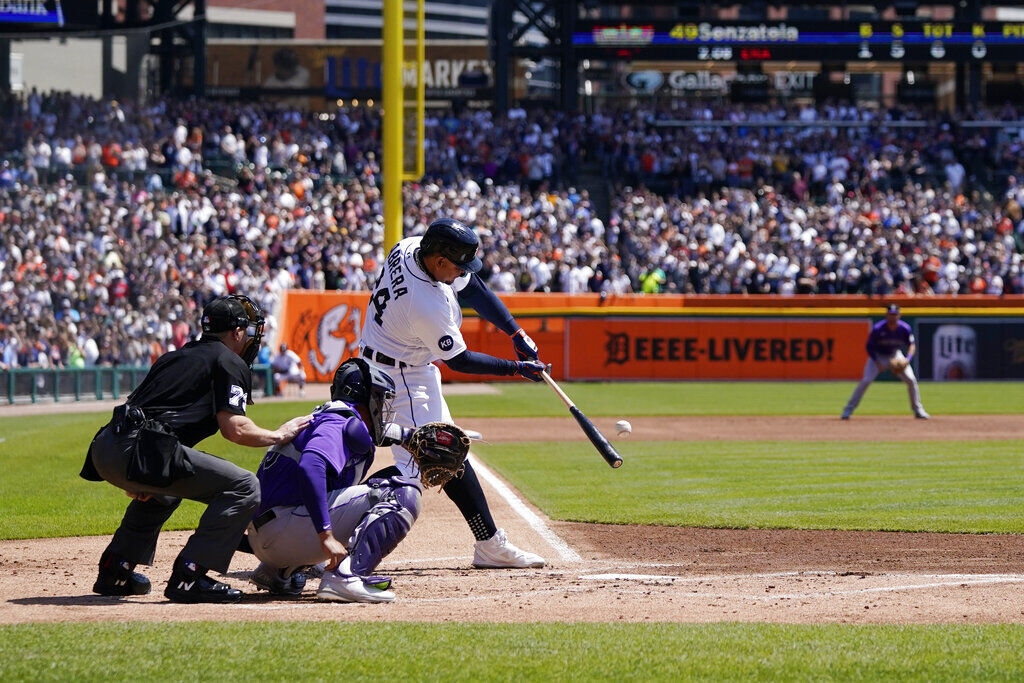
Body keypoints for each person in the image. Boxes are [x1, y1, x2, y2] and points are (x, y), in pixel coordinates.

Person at [80, 295, 311, 603]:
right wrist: (278, 434)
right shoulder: (229, 360)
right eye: (251, 330)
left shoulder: (175, 356)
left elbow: (146, 409)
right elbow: (235, 429)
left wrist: (142, 474)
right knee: (244, 487)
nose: (253, 338)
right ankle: (190, 576)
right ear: (237, 332)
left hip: (106, 446)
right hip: (138, 450)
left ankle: (115, 570)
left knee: (165, 492)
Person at [357, 217, 549, 568]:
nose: (463, 271)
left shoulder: (412, 247)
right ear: (440, 261)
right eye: (458, 264)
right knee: (423, 467)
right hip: (400, 379)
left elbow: (473, 287)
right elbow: (460, 360)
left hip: (395, 362)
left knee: (450, 452)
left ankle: (489, 543)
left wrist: (515, 332)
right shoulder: (426, 303)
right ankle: (324, 535)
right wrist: (516, 368)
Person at [246, 358, 465, 602]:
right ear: (366, 397)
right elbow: (311, 467)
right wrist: (326, 536)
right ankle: (347, 576)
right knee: (405, 491)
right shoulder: (338, 422)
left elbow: (370, 435)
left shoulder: (328, 416)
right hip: (284, 532)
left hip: (270, 535)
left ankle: (281, 571)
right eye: (380, 398)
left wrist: (410, 436)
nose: (382, 406)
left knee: (387, 476)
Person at [842, 304, 930, 420]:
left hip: (896, 355)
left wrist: (907, 360)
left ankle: (918, 410)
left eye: (895, 314)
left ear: (899, 315)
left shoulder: (904, 328)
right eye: (891, 314)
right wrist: (878, 362)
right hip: (878, 356)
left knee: (911, 380)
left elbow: (911, 346)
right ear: (886, 315)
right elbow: (869, 347)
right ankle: (848, 410)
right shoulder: (878, 328)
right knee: (866, 380)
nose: (893, 317)